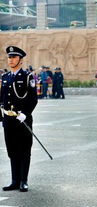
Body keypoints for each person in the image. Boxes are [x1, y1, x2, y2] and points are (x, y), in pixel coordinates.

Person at [0, 46, 38, 192]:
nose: (11, 60)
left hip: (22, 119)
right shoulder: (5, 77)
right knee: (12, 150)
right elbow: (2, 99)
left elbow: (33, 99)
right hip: (9, 120)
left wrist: (26, 114)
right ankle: (14, 180)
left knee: (24, 150)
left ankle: (23, 180)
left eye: (14, 57)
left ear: (20, 60)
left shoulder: (28, 77)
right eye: (9, 57)